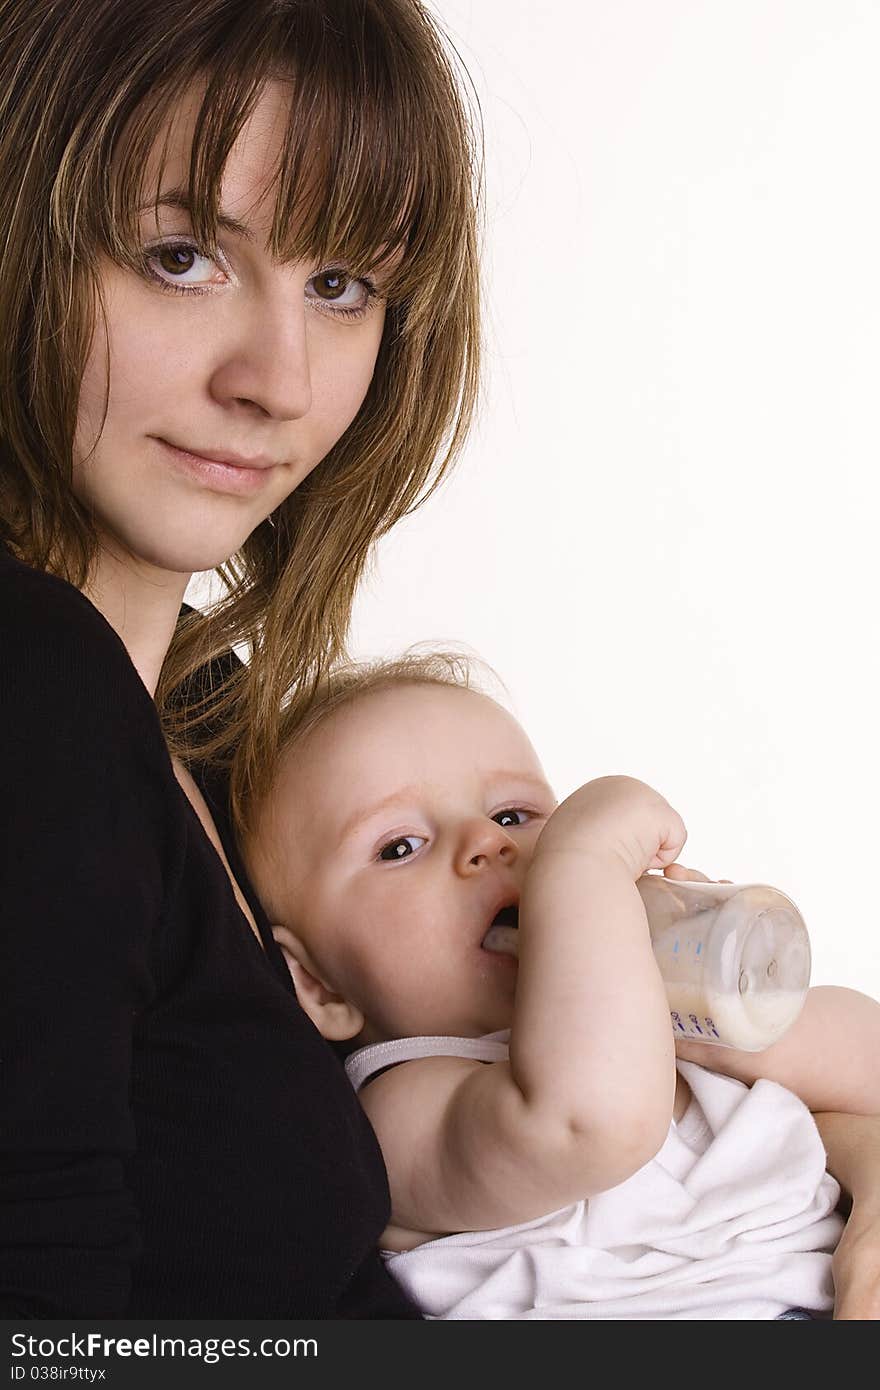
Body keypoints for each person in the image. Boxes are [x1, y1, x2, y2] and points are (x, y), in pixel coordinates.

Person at [0, 0, 481, 1318]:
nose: (275, 378)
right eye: (180, 256)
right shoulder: (34, 689)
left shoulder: (212, 730)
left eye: (342, 285)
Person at [241, 653, 880, 1319]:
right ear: (319, 986)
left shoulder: (651, 1008)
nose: (486, 842)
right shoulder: (396, 1110)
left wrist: (735, 1009)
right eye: (400, 846)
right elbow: (589, 1121)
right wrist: (584, 863)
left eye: (514, 814)